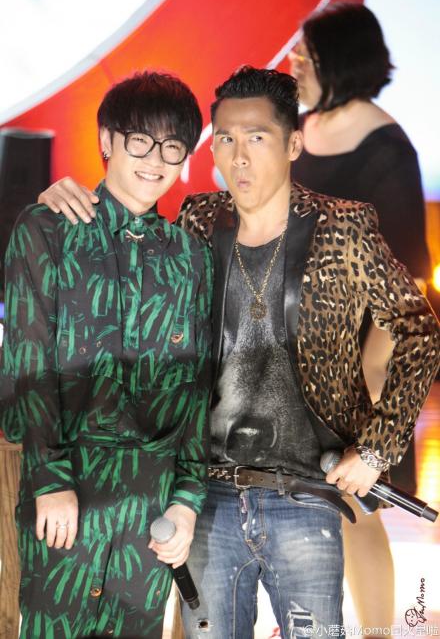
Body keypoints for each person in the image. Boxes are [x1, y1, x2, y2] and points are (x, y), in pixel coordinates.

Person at [37, 66, 440, 639]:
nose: (239, 156)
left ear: (293, 144)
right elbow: (126, 252)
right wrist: (70, 200)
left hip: (305, 490)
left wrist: (378, 448)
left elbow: (420, 331)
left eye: (257, 137)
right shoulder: (198, 221)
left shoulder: (343, 227)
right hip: (207, 493)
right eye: (225, 138)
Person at [0, 70, 212, 638]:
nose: (155, 160)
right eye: (140, 140)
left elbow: (195, 386)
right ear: (107, 140)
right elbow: (28, 364)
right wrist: (49, 480)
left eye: (173, 146)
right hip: (69, 491)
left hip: (152, 503)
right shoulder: (47, 231)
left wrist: (187, 498)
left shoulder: (190, 256)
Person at [288, 1, 431, 633]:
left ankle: (376, 630)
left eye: (305, 53)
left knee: (357, 511)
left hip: (358, 362)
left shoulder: (387, 148)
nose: (293, 61)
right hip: (294, 347)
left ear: (339, 61)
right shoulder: (302, 127)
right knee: (297, 507)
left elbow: (406, 281)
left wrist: (373, 379)